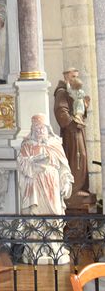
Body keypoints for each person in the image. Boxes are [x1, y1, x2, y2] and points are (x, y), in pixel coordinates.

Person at [17, 113, 73, 216]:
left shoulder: (55, 145)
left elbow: (64, 168)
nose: (40, 131)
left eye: (42, 128)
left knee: (54, 212)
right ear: (33, 131)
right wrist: (33, 160)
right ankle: (35, 231)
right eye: (37, 129)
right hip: (35, 182)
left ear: (48, 129)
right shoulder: (27, 146)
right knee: (36, 214)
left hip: (53, 182)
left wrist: (65, 183)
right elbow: (22, 163)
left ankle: (54, 231)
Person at [54, 67, 91, 199]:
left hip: (77, 129)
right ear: (66, 77)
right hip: (71, 132)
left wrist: (84, 107)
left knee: (82, 156)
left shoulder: (74, 91)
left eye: (77, 76)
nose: (76, 79)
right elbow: (60, 111)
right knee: (76, 157)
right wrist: (72, 123)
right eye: (73, 76)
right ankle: (73, 189)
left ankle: (80, 187)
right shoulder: (62, 92)